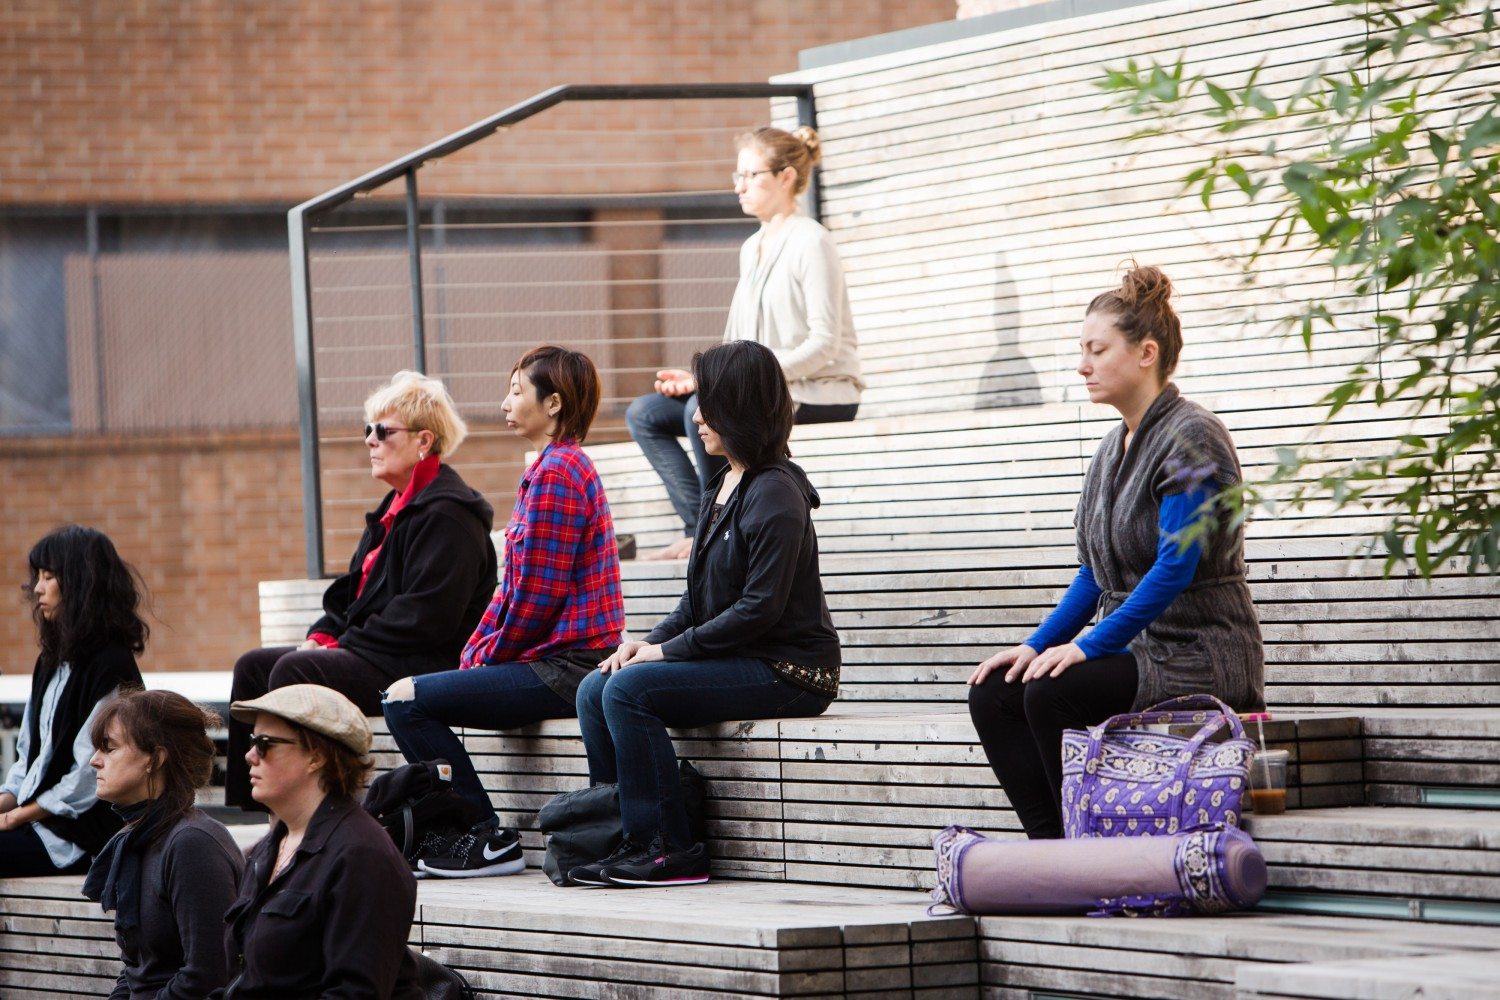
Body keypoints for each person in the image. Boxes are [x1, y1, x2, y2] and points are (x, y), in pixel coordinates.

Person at [967, 265, 1265, 840]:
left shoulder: (1190, 437)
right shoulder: (1110, 446)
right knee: (995, 692)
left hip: (1200, 648)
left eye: (1097, 350)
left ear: (1146, 353)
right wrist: (1034, 645)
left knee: (1051, 692)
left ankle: (1082, 847)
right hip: (1137, 645)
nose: (1083, 365)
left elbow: (1175, 567)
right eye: (1083, 350)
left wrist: (1086, 646)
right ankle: (1053, 844)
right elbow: (1093, 574)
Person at [571, 340, 841, 888]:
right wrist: (641, 644)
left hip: (790, 671)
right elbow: (696, 600)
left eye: (709, 402)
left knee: (629, 691)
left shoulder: (776, 493)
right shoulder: (722, 483)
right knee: (597, 685)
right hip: (743, 656)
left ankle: (667, 849)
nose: (696, 417)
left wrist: (666, 652)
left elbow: (758, 611)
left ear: (740, 408)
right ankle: (621, 833)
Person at [382, 346, 625, 878]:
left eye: (518, 391)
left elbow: (537, 597)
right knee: (409, 693)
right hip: (551, 659)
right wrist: (477, 652)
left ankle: (485, 837)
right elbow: (511, 591)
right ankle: (475, 831)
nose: (505, 402)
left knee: (405, 701)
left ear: (554, 402)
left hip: (568, 666)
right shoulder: (549, 468)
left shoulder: (560, 473)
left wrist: (486, 656)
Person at [226, 370, 497, 811]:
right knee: (254, 668)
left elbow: (428, 617)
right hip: (381, 652)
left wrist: (342, 645)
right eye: (367, 430)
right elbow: (351, 600)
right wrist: (321, 634)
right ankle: (268, 815)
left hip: (424, 663)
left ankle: (318, 815)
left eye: (383, 431)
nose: (370, 440)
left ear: (423, 441)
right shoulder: (395, 510)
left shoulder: (449, 514)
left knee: (295, 673)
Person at [627, 125, 864, 559]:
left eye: (751, 175)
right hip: (761, 389)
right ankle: (701, 523)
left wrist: (743, 381)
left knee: (700, 413)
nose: (739, 186)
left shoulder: (811, 241)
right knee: (644, 413)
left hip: (817, 390)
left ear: (786, 177)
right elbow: (738, 345)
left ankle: (710, 527)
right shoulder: (752, 246)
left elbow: (825, 344)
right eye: (738, 176)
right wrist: (702, 377)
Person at [217, 684, 420, 999]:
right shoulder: (266, 850)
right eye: (251, 741)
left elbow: (355, 993)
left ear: (316, 756)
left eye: (264, 743)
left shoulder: (362, 856)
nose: (249, 755)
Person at [0, 526, 147, 877]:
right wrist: (6, 803)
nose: (37, 588)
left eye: (49, 577)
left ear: (81, 584)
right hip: (38, 824)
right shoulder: (50, 660)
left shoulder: (111, 664)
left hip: (81, 839)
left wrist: (16, 816)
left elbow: (88, 777)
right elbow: (28, 760)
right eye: (38, 576)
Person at [86, 689, 244, 999]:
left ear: (155, 759)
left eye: (110, 748)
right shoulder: (139, 839)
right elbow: (136, 972)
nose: (94, 761)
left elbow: (208, 977)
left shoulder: (192, 844)